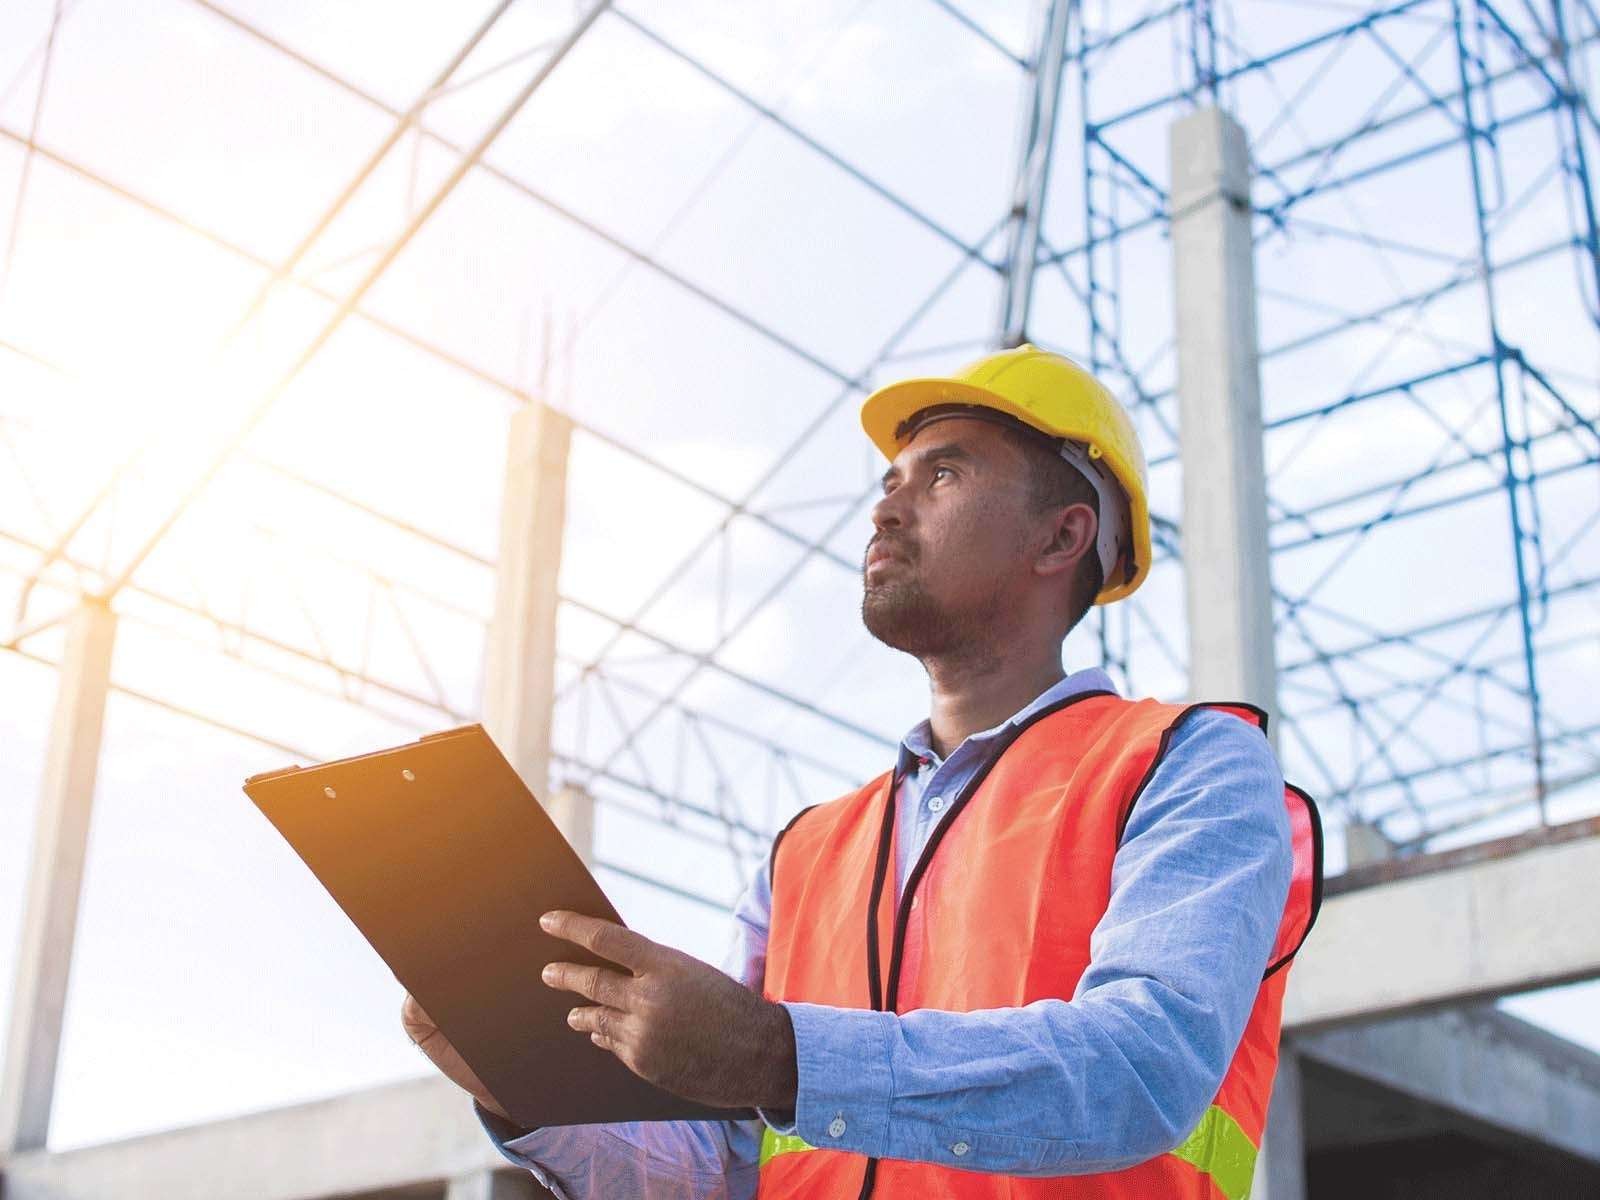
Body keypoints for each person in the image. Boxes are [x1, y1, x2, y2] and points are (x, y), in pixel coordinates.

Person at [402, 344, 1322, 1199]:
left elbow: (1140, 1071)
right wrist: (527, 1090)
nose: (886, 507)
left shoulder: (1190, 763)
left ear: (1060, 537)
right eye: (890, 481)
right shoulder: (808, 852)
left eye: (945, 473)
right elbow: (719, 1171)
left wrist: (777, 1056)